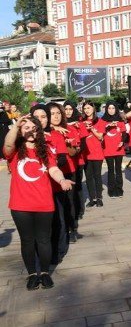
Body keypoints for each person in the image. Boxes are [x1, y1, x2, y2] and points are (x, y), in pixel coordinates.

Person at [3, 115, 75, 290]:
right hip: (20, 205)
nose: (30, 131)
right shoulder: (14, 151)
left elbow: (54, 168)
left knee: (44, 240)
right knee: (27, 241)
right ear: (20, 130)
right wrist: (16, 127)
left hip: (44, 203)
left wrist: (61, 180)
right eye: (25, 127)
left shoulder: (46, 150)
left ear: (39, 131)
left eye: (33, 128)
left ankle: (44, 273)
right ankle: (31, 274)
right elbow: (6, 146)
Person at [32, 104, 70, 265]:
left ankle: (57, 252)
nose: (41, 120)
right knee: (38, 226)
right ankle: (40, 254)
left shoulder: (56, 136)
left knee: (58, 221)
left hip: (55, 187)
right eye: (37, 117)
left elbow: (61, 159)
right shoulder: (26, 137)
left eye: (44, 117)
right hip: (34, 190)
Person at [49, 103, 81, 243]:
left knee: (69, 202)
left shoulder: (69, 129)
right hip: (49, 175)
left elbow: (74, 152)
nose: (56, 116)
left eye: (58, 113)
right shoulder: (41, 132)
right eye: (52, 113)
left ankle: (72, 229)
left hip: (68, 171)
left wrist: (67, 144)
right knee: (54, 205)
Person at [79, 101, 105, 206]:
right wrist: (82, 126)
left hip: (97, 152)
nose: (87, 110)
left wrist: (92, 129)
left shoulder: (100, 121)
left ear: (93, 109)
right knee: (88, 177)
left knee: (97, 176)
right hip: (85, 153)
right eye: (85, 108)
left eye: (88, 108)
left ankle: (99, 198)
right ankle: (92, 198)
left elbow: (100, 136)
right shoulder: (81, 121)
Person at [63, 101, 85, 222]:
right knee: (67, 188)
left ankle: (79, 209)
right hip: (64, 161)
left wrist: (76, 151)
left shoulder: (79, 123)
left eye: (70, 109)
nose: (68, 111)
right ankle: (70, 211)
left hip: (78, 159)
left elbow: (84, 142)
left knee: (77, 186)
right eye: (66, 109)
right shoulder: (60, 124)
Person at [100, 101, 126, 197]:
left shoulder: (120, 120)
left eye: (113, 108)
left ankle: (119, 189)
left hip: (119, 149)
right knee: (111, 169)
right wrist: (107, 126)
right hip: (108, 149)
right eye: (109, 108)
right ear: (106, 109)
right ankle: (111, 190)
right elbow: (100, 133)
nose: (111, 110)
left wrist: (122, 141)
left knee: (118, 169)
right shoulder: (103, 120)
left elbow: (124, 133)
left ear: (116, 109)